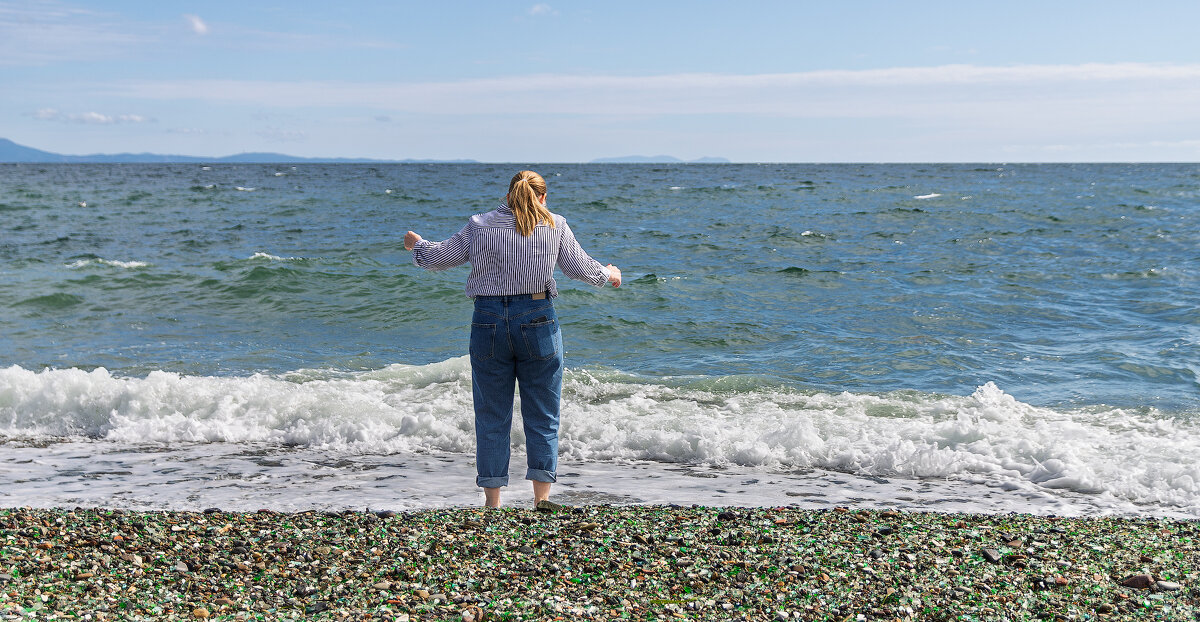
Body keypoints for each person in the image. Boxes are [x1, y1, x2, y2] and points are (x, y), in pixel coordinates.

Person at [404, 170, 621, 509]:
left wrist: (415, 244)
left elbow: (437, 258)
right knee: (544, 412)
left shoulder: (480, 225)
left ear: (507, 196)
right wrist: (611, 274)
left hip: (488, 320)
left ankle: (493, 501)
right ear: (543, 198)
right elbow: (583, 269)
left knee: (492, 413)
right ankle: (541, 498)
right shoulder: (555, 225)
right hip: (538, 319)